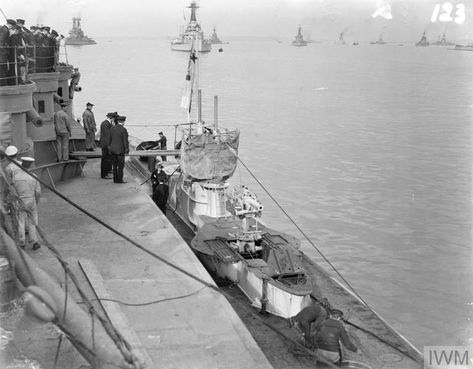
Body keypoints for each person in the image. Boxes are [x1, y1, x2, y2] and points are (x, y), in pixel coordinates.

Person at [9, 156, 41, 250]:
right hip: (31, 201)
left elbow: (12, 191)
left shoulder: (15, 177)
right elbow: (38, 192)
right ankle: (34, 242)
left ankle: (22, 242)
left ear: (22, 164)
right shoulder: (34, 177)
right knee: (32, 221)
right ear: (30, 165)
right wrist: (36, 201)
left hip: (20, 201)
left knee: (21, 221)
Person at [108, 115, 129, 183]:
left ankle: (115, 179)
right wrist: (126, 150)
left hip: (113, 150)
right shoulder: (123, 130)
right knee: (120, 166)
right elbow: (125, 141)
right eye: (124, 122)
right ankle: (120, 179)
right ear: (122, 122)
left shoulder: (112, 128)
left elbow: (109, 139)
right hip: (120, 151)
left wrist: (110, 148)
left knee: (114, 165)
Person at [99, 112, 117, 179]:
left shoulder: (108, 123)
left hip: (106, 144)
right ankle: (103, 175)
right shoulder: (105, 124)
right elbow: (107, 136)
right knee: (105, 160)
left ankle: (106, 172)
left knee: (107, 159)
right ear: (111, 118)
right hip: (105, 144)